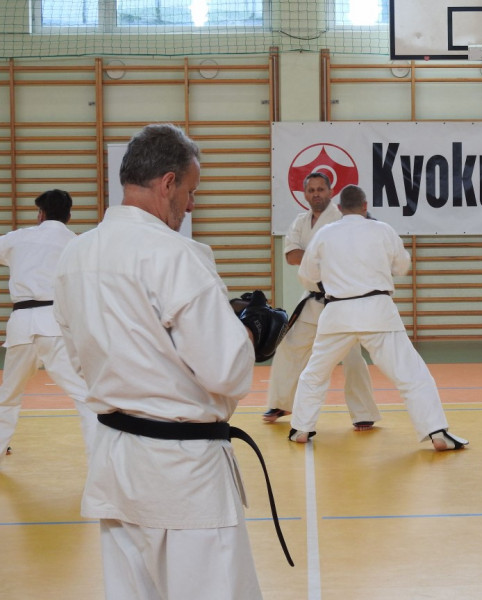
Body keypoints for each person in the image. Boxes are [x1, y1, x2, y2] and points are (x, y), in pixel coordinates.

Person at [53, 124, 280, 600]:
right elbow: (227, 371)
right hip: (183, 474)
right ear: (168, 182)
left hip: (116, 461)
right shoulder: (175, 255)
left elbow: (78, 358)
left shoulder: (76, 254)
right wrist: (248, 331)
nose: (191, 205)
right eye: (191, 191)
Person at [288, 184, 468, 451]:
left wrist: (332, 279)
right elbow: (402, 266)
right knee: (412, 375)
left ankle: (301, 428)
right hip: (377, 311)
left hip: (337, 313)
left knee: (315, 373)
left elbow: (307, 275)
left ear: (339, 208)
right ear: (365, 206)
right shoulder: (383, 230)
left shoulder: (324, 234)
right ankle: (436, 431)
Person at [264, 171, 381, 431]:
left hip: (341, 300)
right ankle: (282, 402)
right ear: (305, 195)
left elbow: (362, 240)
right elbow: (291, 256)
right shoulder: (300, 222)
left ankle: (363, 412)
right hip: (312, 299)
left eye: (320, 189)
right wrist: (326, 255)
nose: (316, 194)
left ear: (330, 192)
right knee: (289, 346)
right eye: (311, 190)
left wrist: (319, 255)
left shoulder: (343, 218)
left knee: (351, 356)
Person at [0, 189, 96, 462]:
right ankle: (99, 457)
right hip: (55, 324)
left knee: (8, 395)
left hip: (21, 326)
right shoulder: (76, 243)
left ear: (40, 214)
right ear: (68, 215)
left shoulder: (18, 238)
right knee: (83, 395)